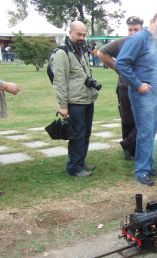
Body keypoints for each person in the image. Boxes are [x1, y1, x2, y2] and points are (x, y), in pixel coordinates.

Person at [116, 12, 157, 186]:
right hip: (142, 95)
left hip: (155, 95)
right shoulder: (138, 39)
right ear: (151, 22)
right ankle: (142, 171)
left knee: (151, 131)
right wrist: (138, 84)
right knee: (145, 132)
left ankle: (148, 165)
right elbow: (121, 63)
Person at [51, 21, 99, 177]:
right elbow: (60, 81)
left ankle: (81, 162)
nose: (82, 37)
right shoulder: (62, 53)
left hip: (87, 99)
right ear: (70, 33)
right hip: (74, 102)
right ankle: (74, 167)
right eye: (79, 34)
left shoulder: (80, 50)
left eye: (84, 34)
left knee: (86, 133)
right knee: (77, 134)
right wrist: (63, 106)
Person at [98, 16, 143, 161]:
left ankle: (131, 145)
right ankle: (129, 151)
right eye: (130, 29)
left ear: (142, 29)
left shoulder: (147, 43)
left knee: (143, 119)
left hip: (143, 87)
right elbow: (101, 53)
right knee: (128, 119)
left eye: (136, 29)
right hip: (125, 86)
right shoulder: (122, 43)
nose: (132, 32)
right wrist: (118, 68)